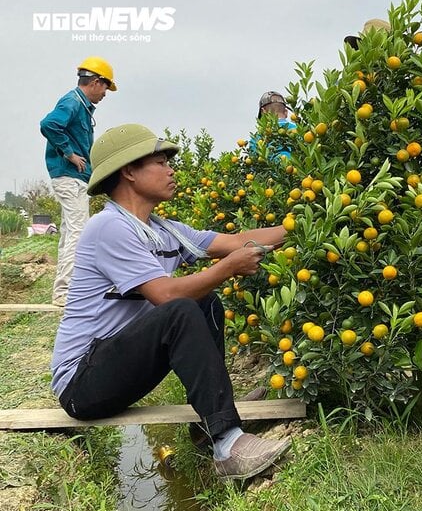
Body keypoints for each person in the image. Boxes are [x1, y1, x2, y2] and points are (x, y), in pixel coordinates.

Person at [50, 123, 291, 479]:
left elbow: (237, 240)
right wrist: (227, 269)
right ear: (129, 171)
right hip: (82, 383)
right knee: (179, 308)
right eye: (161, 161)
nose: (171, 169)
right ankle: (227, 445)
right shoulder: (109, 227)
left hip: (114, 364)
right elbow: (164, 295)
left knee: (205, 303)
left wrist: (302, 223)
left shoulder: (164, 231)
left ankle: (209, 423)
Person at [40, 56, 117, 307]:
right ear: (95, 82)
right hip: (68, 176)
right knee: (78, 232)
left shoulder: (81, 105)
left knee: (70, 231)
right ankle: (65, 292)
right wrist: (69, 153)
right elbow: (49, 124)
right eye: (106, 86)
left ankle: (64, 289)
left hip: (75, 177)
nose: (106, 93)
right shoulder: (72, 102)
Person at [249, 91, 297, 162]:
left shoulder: (257, 138)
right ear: (286, 112)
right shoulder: (299, 130)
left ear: (263, 111)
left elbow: (253, 166)